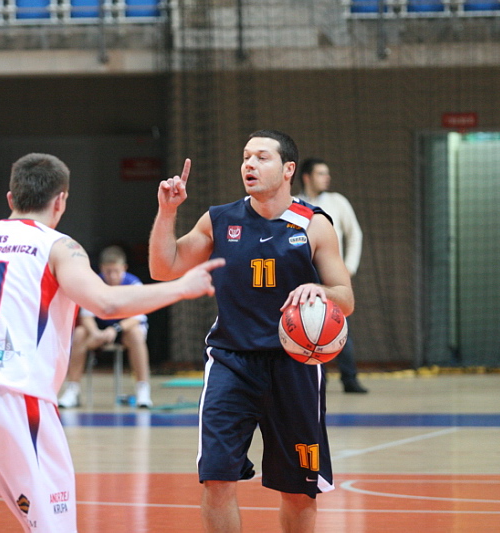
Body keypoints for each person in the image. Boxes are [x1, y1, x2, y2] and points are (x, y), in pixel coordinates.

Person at [0, 152, 223, 532]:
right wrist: (181, 287)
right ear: (61, 200)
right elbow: (107, 303)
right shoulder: (57, 247)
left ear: (11, 198)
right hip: (16, 400)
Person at [149, 130, 354, 533]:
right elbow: (164, 268)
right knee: (216, 479)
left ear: (288, 169)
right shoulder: (219, 219)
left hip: (294, 366)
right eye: (246, 157)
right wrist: (167, 211)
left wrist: (322, 291)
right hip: (231, 361)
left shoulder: (314, 224)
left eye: (262, 157)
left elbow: (345, 298)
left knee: (299, 491)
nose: (249, 164)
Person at [297, 158, 368, 394]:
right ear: (307, 177)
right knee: (307, 326)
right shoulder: (294, 203)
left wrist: (349, 267)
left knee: (339, 323)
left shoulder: (337, 201)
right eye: (321, 173)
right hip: (305, 273)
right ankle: (317, 379)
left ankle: (350, 378)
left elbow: (355, 234)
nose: (326, 178)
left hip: (331, 272)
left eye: (327, 173)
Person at [58, 245, 154, 408]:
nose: (112, 276)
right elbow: (86, 316)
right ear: (102, 268)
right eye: (108, 271)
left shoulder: (133, 284)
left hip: (123, 330)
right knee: (80, 334)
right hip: (99, 330)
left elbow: (137, 318)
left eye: (116, 271)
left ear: (124, 268)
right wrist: (95, 333)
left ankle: (143, 390)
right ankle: (72, 390)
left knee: (136, 335)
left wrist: (115, 329)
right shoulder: (94, 283)